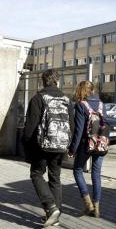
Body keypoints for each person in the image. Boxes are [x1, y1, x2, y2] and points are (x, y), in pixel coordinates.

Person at [23, 69, 74, 227]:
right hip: (61, 145)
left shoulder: (39, 98)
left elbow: (30, 127)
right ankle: (54, 217)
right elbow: (71, 124)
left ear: (43, 81)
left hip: (42, 146)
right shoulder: (67, 99)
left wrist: (26, 145)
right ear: (57, 81)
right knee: (55, 179)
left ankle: (50, 207)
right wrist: (68, 144)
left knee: (36, 174)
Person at [68, 81, 106, 218]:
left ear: (81, 91)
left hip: (86, 144)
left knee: (77, 170)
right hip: (101, 144)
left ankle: (88, 205)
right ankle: (96, 208)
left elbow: (78, 131)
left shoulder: (81, 105)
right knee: (96, 174)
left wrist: (72, 149)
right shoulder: (101, 104)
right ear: (92, 91)